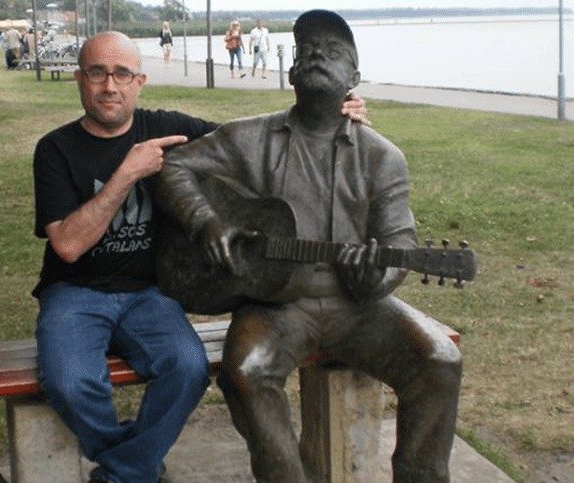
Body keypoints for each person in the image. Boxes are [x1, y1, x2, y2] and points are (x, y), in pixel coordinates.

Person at [32, 29, 370, 483]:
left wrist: (330, 114)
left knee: (189, 369)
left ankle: (125, 470)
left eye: (121, 73)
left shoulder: (168, 129)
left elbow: (260, 141)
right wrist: (126, 174)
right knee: (70, 383)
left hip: (149, 293)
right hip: (75, 293)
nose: (109, 86)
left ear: (139, 82)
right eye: (97, 73)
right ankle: (133, 465)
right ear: (79, 79)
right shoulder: (55, 149)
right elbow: (68, 246)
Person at [155, 10, 462, 482]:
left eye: (334, 51)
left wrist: (375, 277)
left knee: (439, 360)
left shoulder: (382, 157)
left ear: (354, 78)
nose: (318, 54)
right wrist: (205, 221)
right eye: (308, 49)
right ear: (293, 71)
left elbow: (400, 240)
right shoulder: (249, 136)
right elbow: (174, 167)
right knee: (247, 370)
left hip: (357, 307)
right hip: (276, 307)